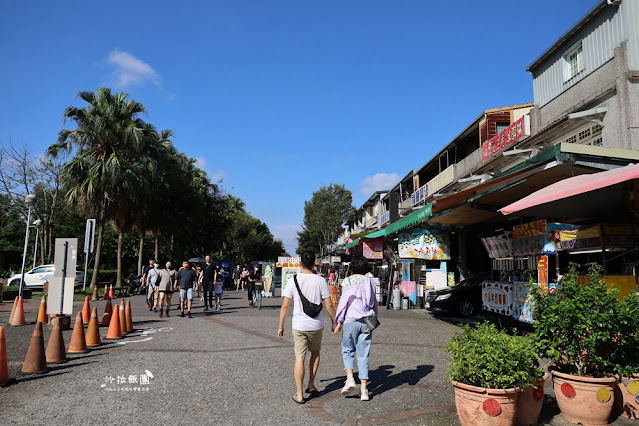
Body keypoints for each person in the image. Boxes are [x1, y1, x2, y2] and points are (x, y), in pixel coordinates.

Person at [278, 251, 336, 404]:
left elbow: (285, 305)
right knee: (315, 353)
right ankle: (310, 384)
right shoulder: (320, 280)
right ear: (314, 263)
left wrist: (281, 326)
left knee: (299, 357)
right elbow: (329, 303)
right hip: (316, 325)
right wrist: (334, 321)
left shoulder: (293, 280)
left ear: (300, 263)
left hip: (299, 325)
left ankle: (299, 394)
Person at [333, 255, 378, 401]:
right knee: (363, 354)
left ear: (352, 267)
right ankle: (364, 391)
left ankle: (350, 379)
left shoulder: (348, 281)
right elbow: (374, 302)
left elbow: (343, 304)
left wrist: (338, 321)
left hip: (350, 320)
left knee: (347, 349)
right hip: (366, 321)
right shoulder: (370, 281)